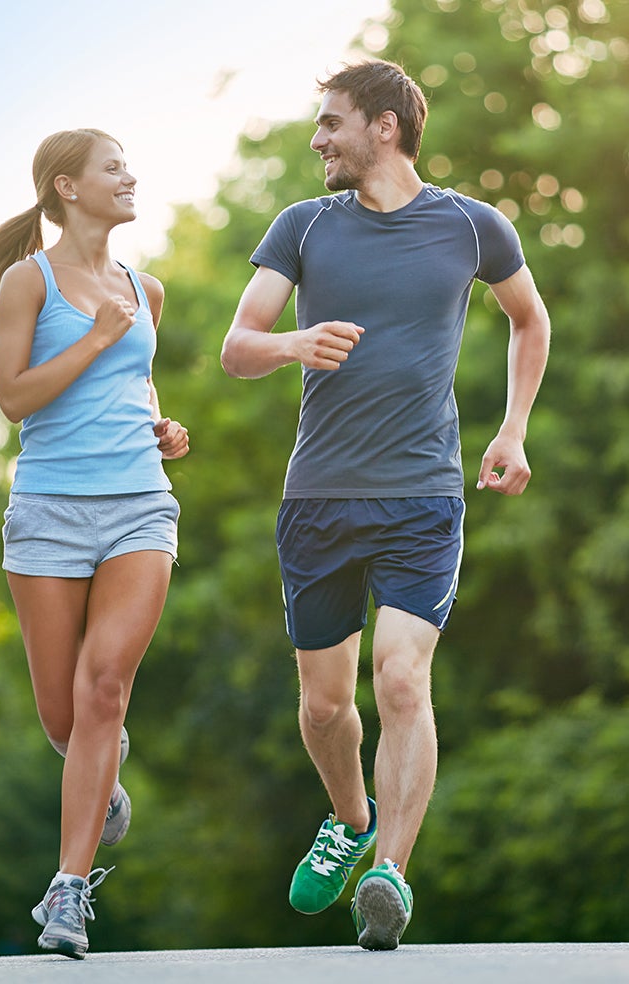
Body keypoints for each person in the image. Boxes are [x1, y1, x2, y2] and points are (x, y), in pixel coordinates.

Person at [221, 60, 550, 951]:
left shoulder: (472, 226)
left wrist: (513, 429)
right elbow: (237, 346)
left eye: (332, 122)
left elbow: (531, 319)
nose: (318, 138)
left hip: (423, 495)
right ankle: (352, 818)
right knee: (325, 709)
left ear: (386, 127)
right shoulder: (302, 227)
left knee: (402, 678)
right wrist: (293, 342)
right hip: (318, 498)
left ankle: (391, 878)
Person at [0, 128, 189, 959]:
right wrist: (96, 335)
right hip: (50, 513)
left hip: (139, 506)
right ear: (67, 187)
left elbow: (135, 377)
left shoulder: (147, 287)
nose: (130, 176)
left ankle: (68, 892)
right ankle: (100, 774)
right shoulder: (29, 283)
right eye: (113, 167)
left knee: (104, 691)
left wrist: (159, 424)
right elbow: (15, 399)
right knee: (64, 719)